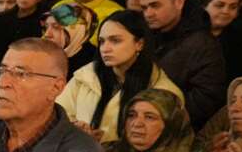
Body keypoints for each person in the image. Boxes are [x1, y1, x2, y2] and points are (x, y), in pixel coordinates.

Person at [57, 10, 184, 143]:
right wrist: (76, 129)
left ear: (139, 44)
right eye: (101, 41)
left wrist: (106, 145)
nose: (105, 48)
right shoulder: (85, 76)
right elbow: (57, 115)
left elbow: (165, 146)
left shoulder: (164, 92)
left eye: (115, 40)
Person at [138, 0, 226, 128]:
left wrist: (160, 114)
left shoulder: (202, 44)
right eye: (144, 8)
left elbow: (206, 99)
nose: (148, 13)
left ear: (179, 2)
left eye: (155, 6)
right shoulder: (147, 35)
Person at [41, 2, 98, 75]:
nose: (47, 34)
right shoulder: (43, 53)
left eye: (56, 27)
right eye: (46, 27)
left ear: (79, 30)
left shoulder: (95, 62)